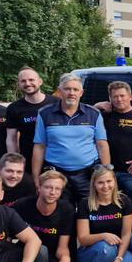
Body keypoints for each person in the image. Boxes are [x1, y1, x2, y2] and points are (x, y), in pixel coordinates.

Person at [32, 73, 110, 204]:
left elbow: (102, 144)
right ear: (60, 91)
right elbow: (39, 146)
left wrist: (106, 172)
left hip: (87, 174)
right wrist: (36, 178)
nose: (71, 93)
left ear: (81, 92)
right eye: (67, 89)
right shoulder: (45, 114)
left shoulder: (93, 114)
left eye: (75, 89)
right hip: (56, 174)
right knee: (60, 212)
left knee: (90, 209)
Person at [13, 170, 75, 262]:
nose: (52, 192)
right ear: (39, 187)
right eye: (48, 187)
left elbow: (62, 247)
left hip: (54, 251)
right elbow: (9, 235)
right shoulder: (22, 205)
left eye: (57, 189)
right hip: (29, 249)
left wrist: (65, 258)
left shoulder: (66, 209)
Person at [6, 67, 59, 174]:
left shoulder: (56, 103)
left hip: (56, 159)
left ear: (40, 81)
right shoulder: (14, 108)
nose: (27, 83)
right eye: (23, 81)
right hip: (28, 160)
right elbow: (11, 138)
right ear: (19, 84)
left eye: (31, 80)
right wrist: (14, 161)